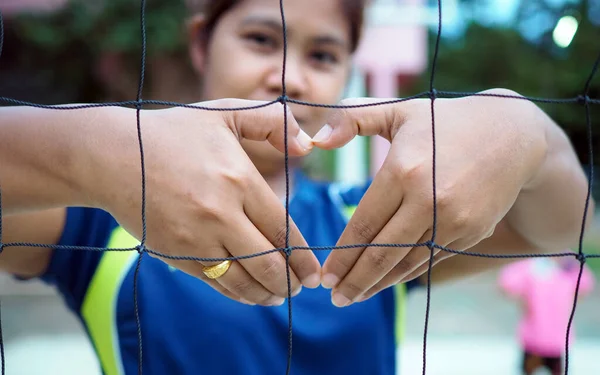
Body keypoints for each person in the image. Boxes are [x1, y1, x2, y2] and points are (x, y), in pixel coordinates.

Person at [0, 0, 594, 374]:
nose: (289, 74)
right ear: (202, 44)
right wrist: (92, 151)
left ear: (346, 74)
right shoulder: (101, 215)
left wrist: (528, 130)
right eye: (261, 38)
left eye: (324, 53)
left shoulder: (379, 217)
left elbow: (568, 230)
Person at [498, 257, 595, 375]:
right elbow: (506, 285)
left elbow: (586, 285)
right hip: (532, 340)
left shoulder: (569, 263)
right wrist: (523, 300)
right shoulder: (530, 263)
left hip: (557, 341)